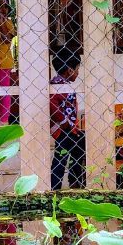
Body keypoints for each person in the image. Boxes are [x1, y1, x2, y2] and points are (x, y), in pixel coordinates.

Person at [49, 54, 85, 190]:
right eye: (77, 69)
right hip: (63, 128)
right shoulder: (59, 85)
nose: (78, 72)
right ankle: (61, 185)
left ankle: (72, 182)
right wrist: (63, 120)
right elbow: (52, 104)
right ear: (70, 70)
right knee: (62, 156)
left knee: (78, 146)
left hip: (68, 128)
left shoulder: (61, 83)